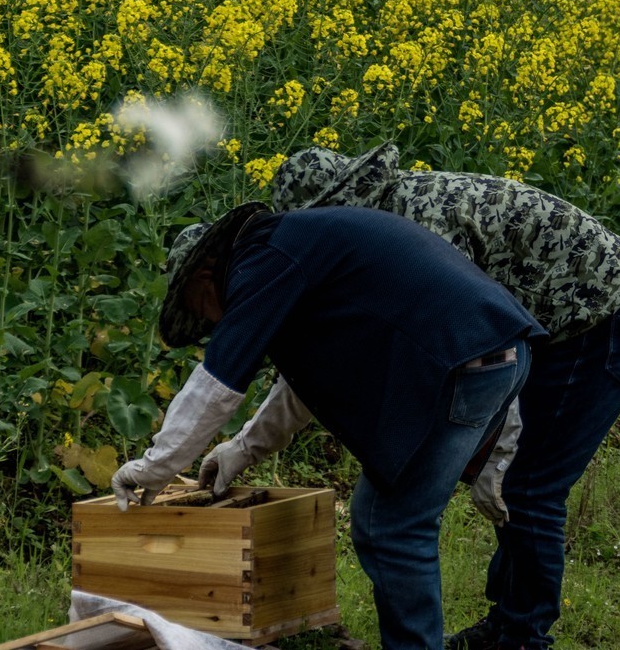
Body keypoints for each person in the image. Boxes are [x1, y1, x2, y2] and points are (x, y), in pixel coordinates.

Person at [199, 145, 620, 650]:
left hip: (603, 317)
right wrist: (245, 448)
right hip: (549, 324)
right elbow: (315, 374)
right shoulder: (376, 232)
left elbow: (476, 337)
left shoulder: (414, 227)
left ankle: (523, 636)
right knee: (518, 485)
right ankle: (509, 626)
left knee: (529, 488)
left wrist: (501, 453)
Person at [110, 201, 547, 650]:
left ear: (206, 274)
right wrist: (241, 451)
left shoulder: (264, 260)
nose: (209, 321)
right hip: (494, 353)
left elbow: (217, 381)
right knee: (388, 520)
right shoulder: (295, 252)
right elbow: (302, 388)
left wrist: (154, 466)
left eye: (200, 308)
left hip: (459, 359)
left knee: (392, 525)